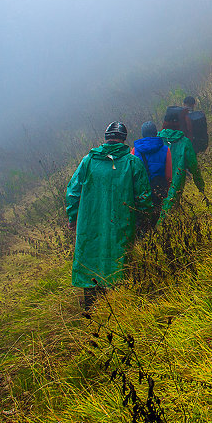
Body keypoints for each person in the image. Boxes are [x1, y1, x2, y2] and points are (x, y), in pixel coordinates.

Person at [65, 121, 152, 310]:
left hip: (90, 225)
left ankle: (90, 311)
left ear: (105, 139)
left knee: (91, 262)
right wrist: (145, 218)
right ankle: (117, 310)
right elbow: (143, 197)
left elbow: (72, 192)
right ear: (123, 140)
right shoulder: (132, 162)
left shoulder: (88, 161)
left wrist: (73, 217)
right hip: (122, 225)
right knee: (118, 265)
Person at [158, 106, 204, 209]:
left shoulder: (156, 140)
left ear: (164, 123)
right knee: (171, 211)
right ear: (178, 124)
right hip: (176, 187)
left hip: (157, 187)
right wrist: (201, 187)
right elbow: (194, 167)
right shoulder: (184, 142)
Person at [132, 120, 172, 231]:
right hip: (158, 192)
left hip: (140, 194)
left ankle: (142, 243)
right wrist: (164, 191)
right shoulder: (166, 150)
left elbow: (131, 176)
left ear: (142, 134)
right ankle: (152, 241)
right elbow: (168, 176)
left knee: (141, 223)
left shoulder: (134, 151)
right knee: (154, 222)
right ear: (156, 133)